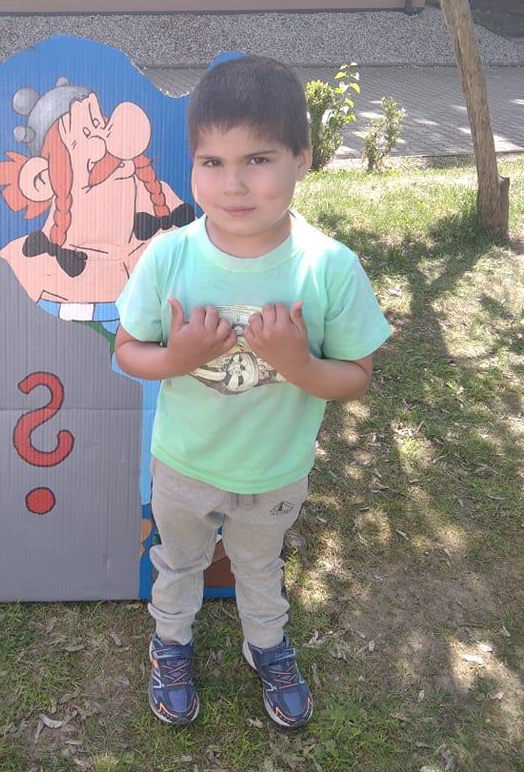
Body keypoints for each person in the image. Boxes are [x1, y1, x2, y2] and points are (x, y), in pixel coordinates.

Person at [114, 56, 392, 729]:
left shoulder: (328, 267)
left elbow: (356, 375)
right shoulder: (168, 257)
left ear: (303, 158)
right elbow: (126, 350)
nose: (233, 184)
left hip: (275, 471)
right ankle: (170, 641)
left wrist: (298, 364)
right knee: (177, 561)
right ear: (192, 165)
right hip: (184, 465)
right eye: (212, 161)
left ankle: (266, 644)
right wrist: (178, 357)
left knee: (260, 565)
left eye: (258, 160)